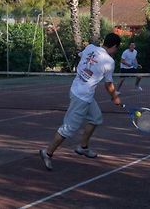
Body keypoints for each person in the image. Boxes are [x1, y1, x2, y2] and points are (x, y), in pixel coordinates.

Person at [39, 33, 122, 171]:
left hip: (79, 91)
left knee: (96, 118)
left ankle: (82, 147)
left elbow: (81, 56)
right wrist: (115, 97)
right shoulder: (109, 62)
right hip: (81, 97)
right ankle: (47, 152)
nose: (116, 51)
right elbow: (108, 85)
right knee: (68, 129)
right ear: (113, 47)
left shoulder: (90, 47)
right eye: (117, 49)